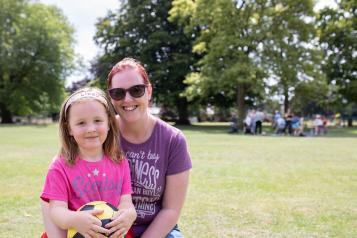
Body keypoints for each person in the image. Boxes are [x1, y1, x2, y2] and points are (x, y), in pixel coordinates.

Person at [41, 58, 192, 238]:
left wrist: (130, 215)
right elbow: (53, 202)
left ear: (149, 91)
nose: (127, 99)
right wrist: (71, 222)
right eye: (118, 93)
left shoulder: (170, 141)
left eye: (136, 90)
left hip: (150, 229)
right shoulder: (94, 141)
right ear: (111, 98)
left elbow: (170, 210)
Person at [40, 87, 137, 238]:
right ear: (69, 129)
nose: (91, 128)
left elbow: (126, 203)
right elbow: (56, 210)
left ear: (109, 123)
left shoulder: (119, 161)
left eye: (98, 120)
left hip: (113, 233)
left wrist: (129, 214)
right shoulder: (60, 167)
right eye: (81, 123)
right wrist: (74, 219)